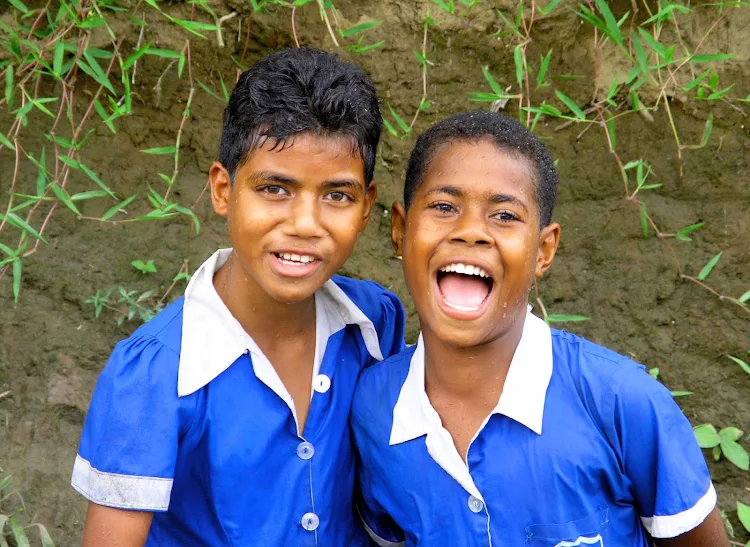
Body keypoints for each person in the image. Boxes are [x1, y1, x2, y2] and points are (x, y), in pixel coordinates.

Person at [72, 46, 405, 546]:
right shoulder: (154, 375)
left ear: (366, 206)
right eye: (275, 189)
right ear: (223, 190)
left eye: (337, 195)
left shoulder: (373, 323)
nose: (305, 224)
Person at [351, 111, 729, 547]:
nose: (472, 231)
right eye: (444, 207)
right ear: (400, 230)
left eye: (505, 216)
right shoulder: (372, 410)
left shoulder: (622, 403)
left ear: (543, 251)